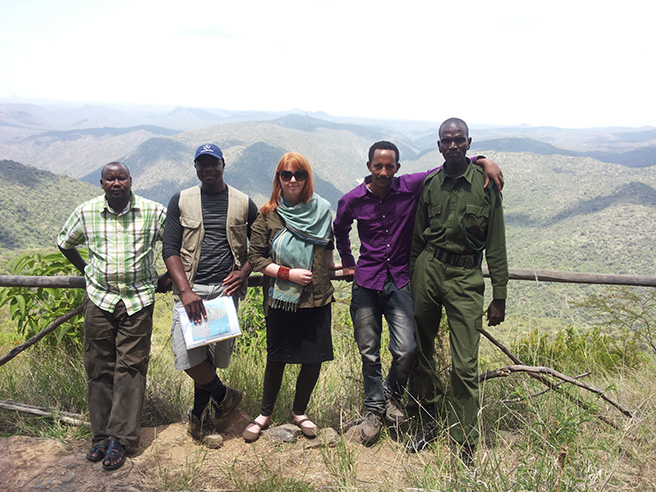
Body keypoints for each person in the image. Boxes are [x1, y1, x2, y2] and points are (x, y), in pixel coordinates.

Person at [333, 141, 503, 445]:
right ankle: (374, 410)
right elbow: (340, 229)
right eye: (378, 166)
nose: (383, 172)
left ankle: (391, 395)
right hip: (367, 281)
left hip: (399, 280)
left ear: (398, 168)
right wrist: (347, 262)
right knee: (368, 351)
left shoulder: (410, 186)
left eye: (389, 166)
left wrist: (481, 160)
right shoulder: (352, 200)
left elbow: (448, 165)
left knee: (408, 349)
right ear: (369, 167)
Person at [407, 118, 508, 464]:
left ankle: (465, 439)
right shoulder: (431, 184)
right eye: (446, 141)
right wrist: (413, 280)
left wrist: (500, 295)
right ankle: (428, 422)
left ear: (468, 143)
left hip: (466, 276)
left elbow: (496, 243)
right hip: (429, 270)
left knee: (465, 364)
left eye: (458, 140)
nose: (452, 145)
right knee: (422, 352)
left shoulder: (485, 184)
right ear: (438, 146)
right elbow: (418, 238)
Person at [57, 162, 168, 471]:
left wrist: (169, 276)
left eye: (122, 177)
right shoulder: (86, 212)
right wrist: (85, 270)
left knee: (131, 368)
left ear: (131, 181)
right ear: (102, 183)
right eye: (110, 178)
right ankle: (100, 436)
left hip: (138, 298)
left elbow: (174, 242)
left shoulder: (152, 211)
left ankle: (120, 439)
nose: (116, 183)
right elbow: (64, 242)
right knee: (98, 367)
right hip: (99, 298)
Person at [162, 143, 258, 446]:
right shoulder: (181, 200)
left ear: (223, 164)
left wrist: (243, 273)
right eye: (202, 164)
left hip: (224, 293)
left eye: (213, 163)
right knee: (189, 357)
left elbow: (260, 247)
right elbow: (170, 249)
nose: (208, 169)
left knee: (210, 359)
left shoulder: (244, 202)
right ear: (196, 168)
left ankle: (200, 420)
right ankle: (225, 396)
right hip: (193, 291)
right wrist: (186, 290)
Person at [243, 152, 340, 442]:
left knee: (314, 358)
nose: (293, 180)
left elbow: (327, 247)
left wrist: (338, 268)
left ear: (307, 179)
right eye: (286, 175)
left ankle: (300, 412)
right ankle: (264, 413)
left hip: (317, 295)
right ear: (278, 179)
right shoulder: (268, 214)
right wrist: (288, 274)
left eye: (300, 174)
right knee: (277, 357)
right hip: (281, 297)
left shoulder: (322, 210)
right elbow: (256, 258)